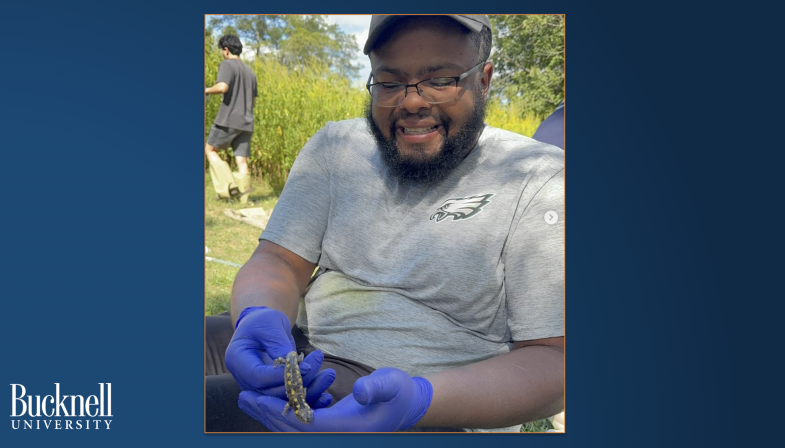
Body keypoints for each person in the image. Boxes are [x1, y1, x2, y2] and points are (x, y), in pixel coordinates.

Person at [205, 15, 564, 432]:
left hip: (438, 404)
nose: (412, 101)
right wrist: (256, 315)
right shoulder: (337, 147)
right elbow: (279, 260)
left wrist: (419, 400)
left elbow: (555, 359)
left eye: (441, 79)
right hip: (301, 350)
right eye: (390, 83)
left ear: (483, 80)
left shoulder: (538, 177)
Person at [204, 34, 258, 203]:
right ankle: (242, 199)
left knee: (209, 149)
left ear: (226, 50)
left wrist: (206, 90)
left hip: (228, 120)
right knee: (241, 159)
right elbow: (252, 100)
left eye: (221, 50)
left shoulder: (227, 65)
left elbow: (222, 87)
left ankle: (229, 185)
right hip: (247, 122)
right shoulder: (251, 72)